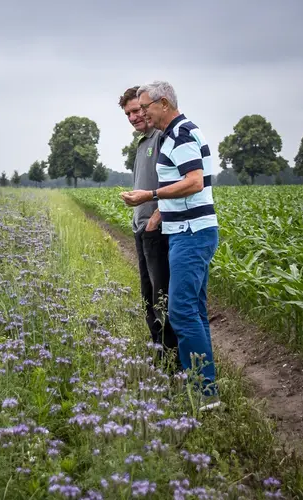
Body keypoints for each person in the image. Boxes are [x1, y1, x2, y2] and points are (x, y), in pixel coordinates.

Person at [120, 80, 221, 410]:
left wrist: (151, 197)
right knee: (193, 310)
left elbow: (194, 181)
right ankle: (206, 389)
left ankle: (204, 392)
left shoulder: (180, 134)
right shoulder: (175, 134)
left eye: (145, 107)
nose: (143, 113)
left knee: (180, 311)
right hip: (185, 231)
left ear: (163, 103)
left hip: (192, 233)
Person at [118, 86, 179, 368]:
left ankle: (172, 360)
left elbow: (174, 182)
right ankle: (159, 356)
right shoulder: (143, 142)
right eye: (128, 113)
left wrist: (156, 216)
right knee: (147, 296)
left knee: (161, 297)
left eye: (137, 110)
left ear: (149, 107)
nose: (133, 117)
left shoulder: (163, 137)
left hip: (157, 230)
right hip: (141, 228)